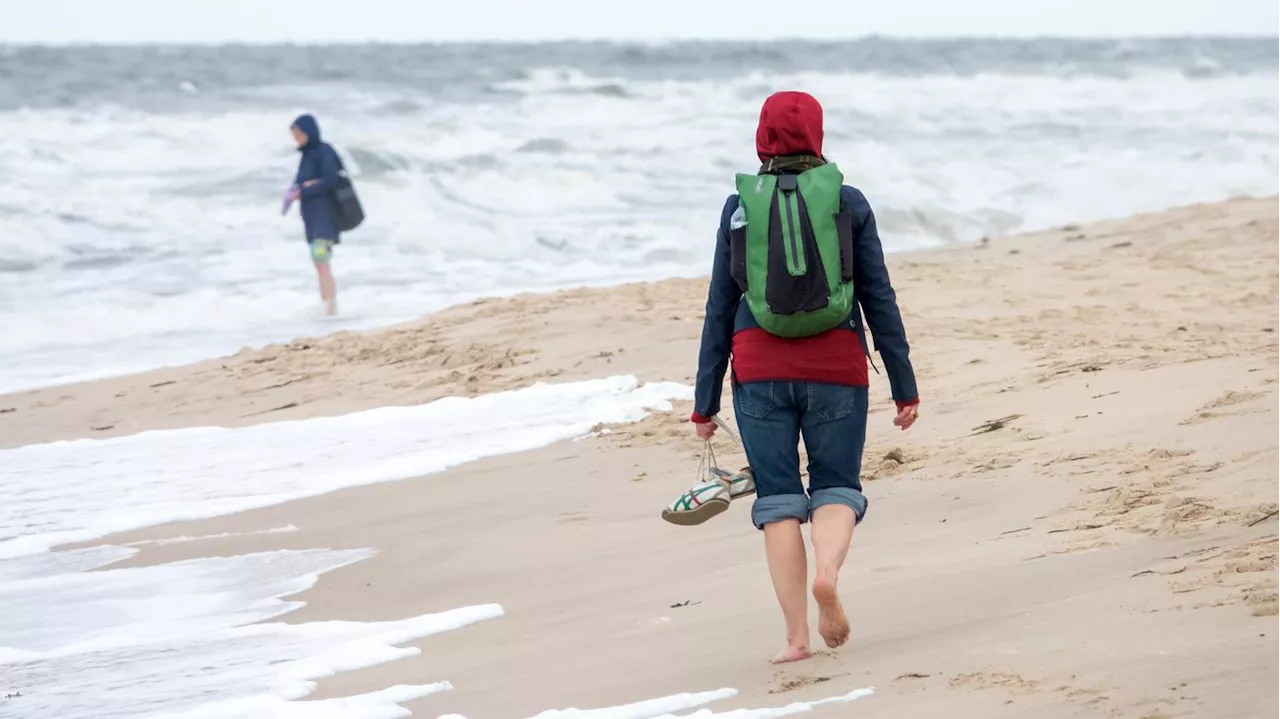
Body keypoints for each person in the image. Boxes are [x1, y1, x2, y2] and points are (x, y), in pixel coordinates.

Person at [690, 91, 920, 664]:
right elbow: (879, 296)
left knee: (778, 502)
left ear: (762, 137)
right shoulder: (848, 201)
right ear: (817, 135)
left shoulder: (738, 207)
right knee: (836, 486)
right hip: (837, 366)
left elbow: (720, 304)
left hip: (760, 370)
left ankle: (796, 640)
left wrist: (703, 401)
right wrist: (903, 383)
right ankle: (829, 573)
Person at [288, 114, 343, 315]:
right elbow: (302, 181)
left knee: (322, 261)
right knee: (319, 262)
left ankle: (331, 307)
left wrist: (306, 189)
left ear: (308, 132)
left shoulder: (324, 151)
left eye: (298, 134)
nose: (296, 138)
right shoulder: (306, 155)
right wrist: (297, 190)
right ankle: (327, 305)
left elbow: (330, 180)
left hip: (324, 215)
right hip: (311, 216)